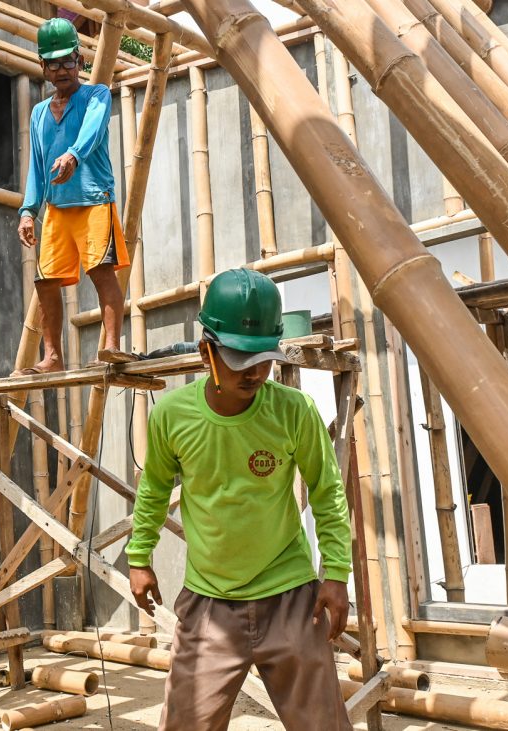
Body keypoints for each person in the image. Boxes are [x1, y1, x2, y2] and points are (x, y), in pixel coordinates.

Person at [125, 268, 354, 730]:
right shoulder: (173, 416)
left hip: (291, 598)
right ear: (206, 349)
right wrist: (138, 556)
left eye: (262, 358)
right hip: (210, 605)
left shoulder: (294, 411)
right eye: (238, 357)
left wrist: (336, 574)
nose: (253, 371)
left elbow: (328, 491)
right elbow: (152, 490)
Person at [16, 18, 133, 376]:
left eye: (68, 61)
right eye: (54, 63)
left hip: (95, 199)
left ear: (79, 61)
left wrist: (73, 155)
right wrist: (26, 211)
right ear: (43, 67)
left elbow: (93, 131)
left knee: (101, 270)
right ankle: (53, 356)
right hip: (56, 209)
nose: (63, 69)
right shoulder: (38, 114)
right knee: (45, 280)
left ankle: (111, 346)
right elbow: (37, 168)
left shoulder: (95, 95)